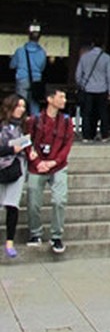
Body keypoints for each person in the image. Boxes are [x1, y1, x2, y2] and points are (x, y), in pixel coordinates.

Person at [25, 86, 74, 255]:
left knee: (60, 199)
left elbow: (67, 145)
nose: (64, 100)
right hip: (37, 165)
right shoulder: (34, 120)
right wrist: (37, 161)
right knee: (33, 199)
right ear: (50, 99)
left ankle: (57, 235)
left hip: (57, 165)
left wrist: (54, 162)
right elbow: (27, 141)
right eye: (61, 97)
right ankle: (35, 232)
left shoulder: (67, 121)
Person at [0, 94, 30, 258]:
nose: (21, 109)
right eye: (18, 106)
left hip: (17, 167)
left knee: (12, 205)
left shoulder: (23, 126)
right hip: (2, 165)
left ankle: (10, 241)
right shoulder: (2, 126)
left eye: (23, 106)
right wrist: (12, 149)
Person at [75, 38, 110, 142]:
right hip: (102, 89)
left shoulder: (84, 57)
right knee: (103, 113)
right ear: (103, 46)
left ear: (92, 44)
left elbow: (78, 75)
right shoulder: (107, 58)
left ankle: (86, 136)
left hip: (88, 89)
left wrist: (82, 85)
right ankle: (104, 134)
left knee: (87, 113)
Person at [10, 23, 47, 115]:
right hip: (36, 80)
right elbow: (42, 68)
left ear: (28, 36)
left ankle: (22, 125)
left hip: (22, 79)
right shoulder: (42, 52)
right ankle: (34, 126)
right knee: (35, 106)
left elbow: (12, 65)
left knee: (21, 105)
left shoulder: (20, 51)